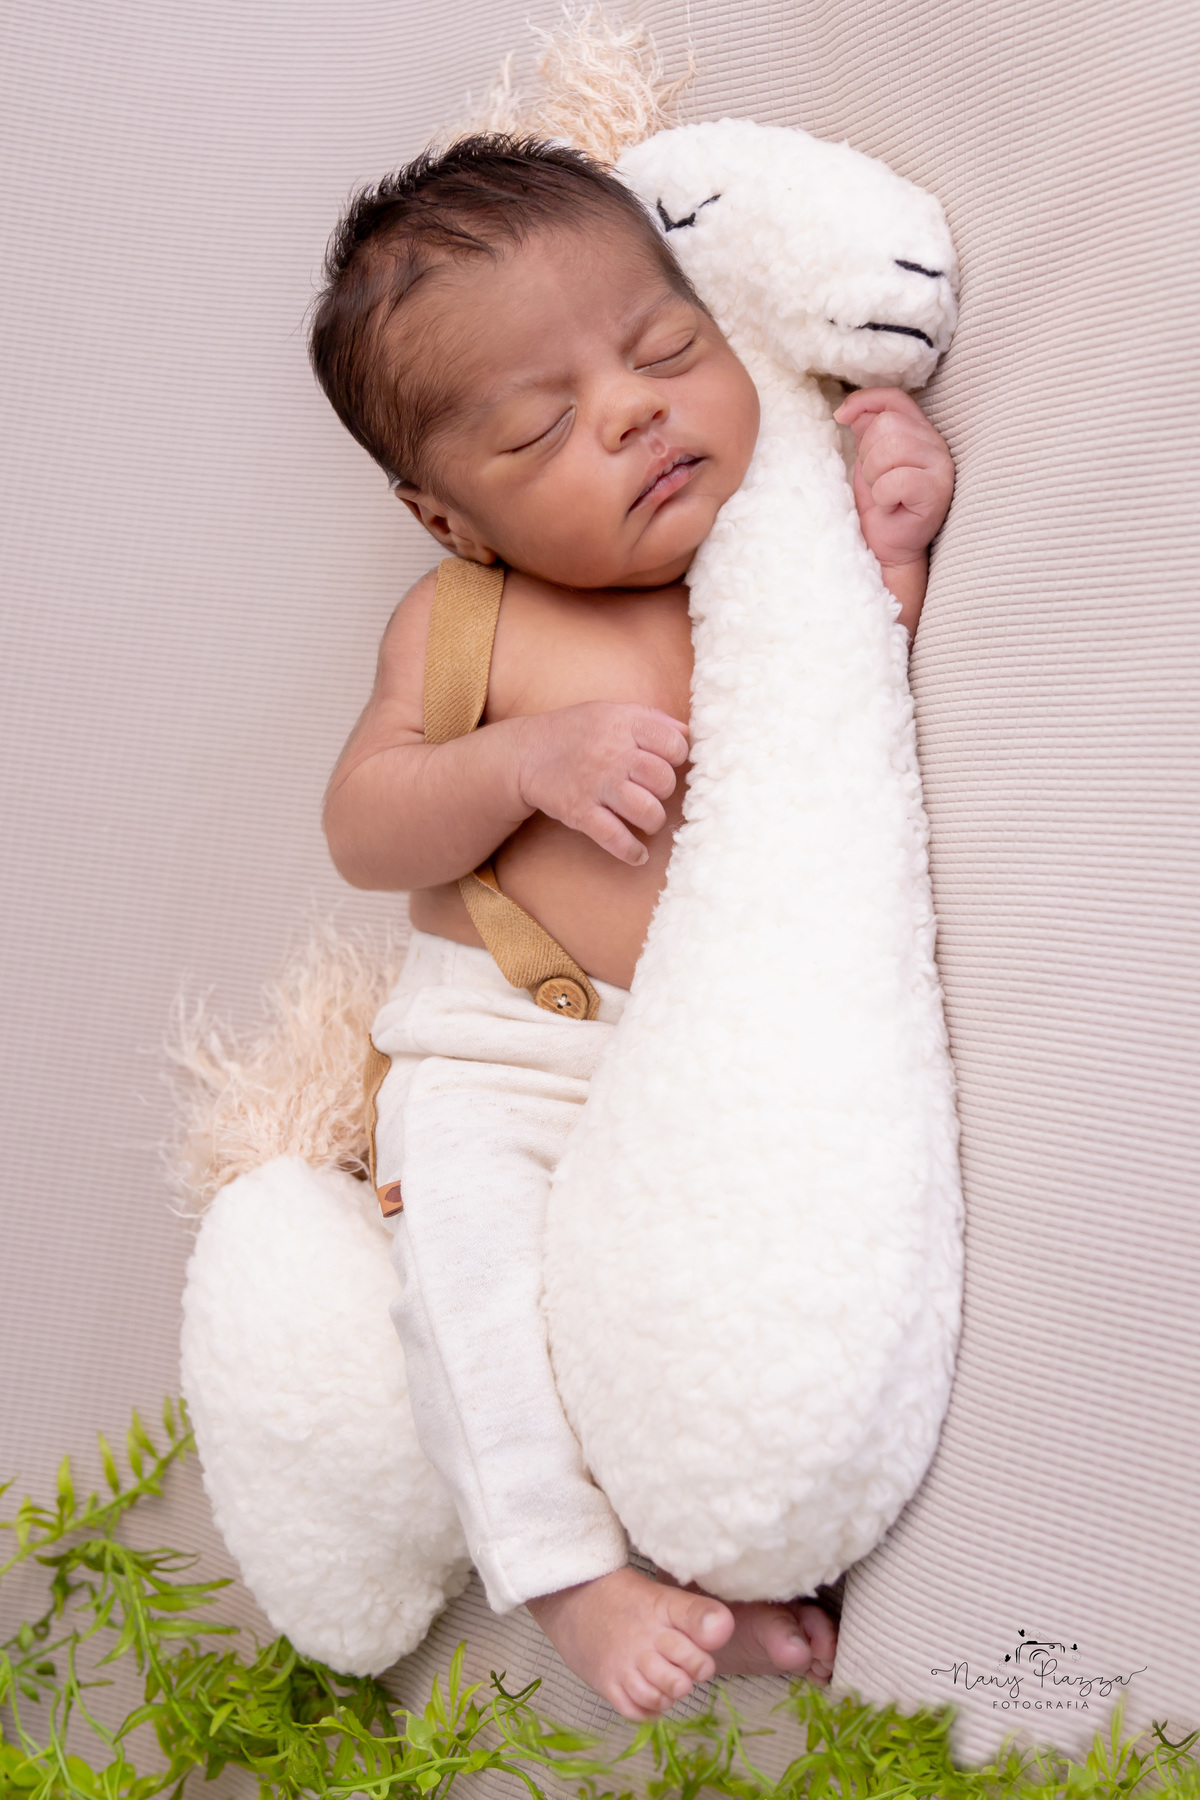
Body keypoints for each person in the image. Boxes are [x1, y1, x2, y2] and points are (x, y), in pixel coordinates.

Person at [310, 134, 954, 1719]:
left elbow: (849, 723)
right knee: (471, 1290)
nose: (632, 412)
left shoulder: (773, 555)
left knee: (730, 1290)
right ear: (452, 519)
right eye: (541, 427)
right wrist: (520, 763)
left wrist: (893, 535)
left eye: (666, 349)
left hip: (692, 1072)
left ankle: (738, 1532)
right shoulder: (464, 622)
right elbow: (362, 825)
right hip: (502, 1063)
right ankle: (571, 1577)